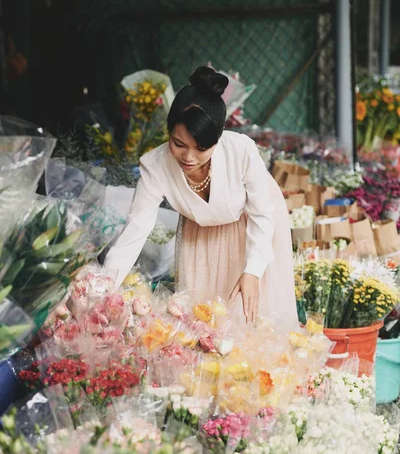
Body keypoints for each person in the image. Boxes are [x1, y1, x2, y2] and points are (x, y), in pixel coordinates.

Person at [104, 66, 297, 327]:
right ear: (169, 132)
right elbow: (136, 229)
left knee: (254, 319)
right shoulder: (155, 165)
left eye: (202, 148)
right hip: (200, 234)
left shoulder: (240, 151)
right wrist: (103, 289)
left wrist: (253, 270)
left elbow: (262, 214)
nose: (188, 157)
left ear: (217, 140)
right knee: (201, 325)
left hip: (253, 226)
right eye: (178, 144)